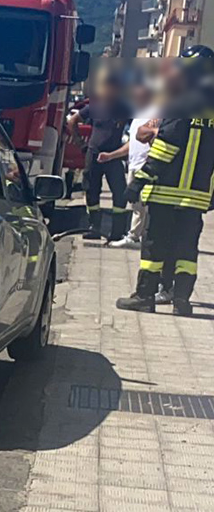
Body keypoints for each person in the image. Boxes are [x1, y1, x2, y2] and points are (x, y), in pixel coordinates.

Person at [116, 45, 214, 316]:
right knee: (186, 250)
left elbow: (166, 145)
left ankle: (144, 296)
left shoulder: (182, 99)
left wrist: (139, 180)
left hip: (166, 193)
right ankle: (182, 300)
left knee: (154, 247)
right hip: (197, 196)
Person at [66, 72, 133, 241]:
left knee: (120, 192)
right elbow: (72, 121)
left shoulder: (125, 108)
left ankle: (118, 231)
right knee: (91, 190)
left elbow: (138, 127)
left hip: (114, 156)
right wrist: (80, 143)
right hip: (94, 154)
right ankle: (94, 227)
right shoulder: (95, 106)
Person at [102, 79, 160, 250]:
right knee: (136, 203)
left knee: (141, 203)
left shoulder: (155, 113)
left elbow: (156, 137)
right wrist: (112, 155)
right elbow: (133, 144)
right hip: (134, 164)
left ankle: (135, 237)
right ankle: (137, 236)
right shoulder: (138, 115)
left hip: (146, 164)